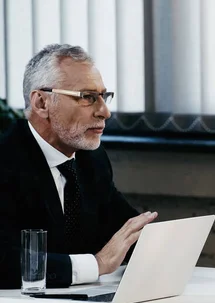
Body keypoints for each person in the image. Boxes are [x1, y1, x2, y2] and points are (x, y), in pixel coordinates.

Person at [0, 44, 158, 289]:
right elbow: (6, 263)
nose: (105, 112)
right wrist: (97, 264)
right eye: (87, 97)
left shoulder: (91, 159)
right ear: (42, 103)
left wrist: (165, 246)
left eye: (104, 97)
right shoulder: (6, 161)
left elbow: (125, 231)